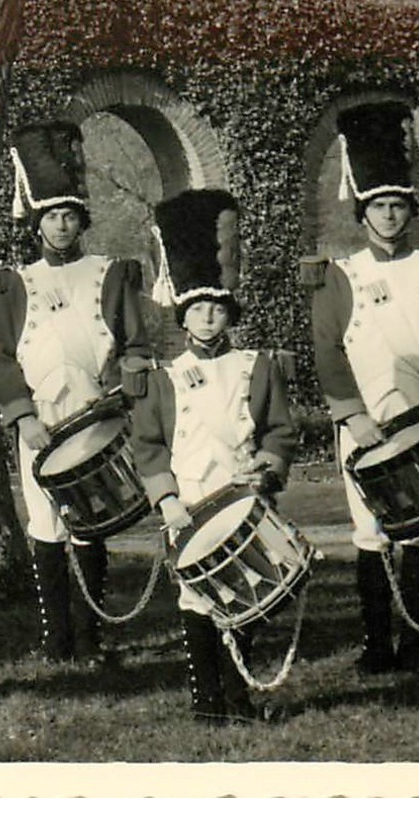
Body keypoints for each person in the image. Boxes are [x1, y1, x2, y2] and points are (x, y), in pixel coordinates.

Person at [303, 101, 419, 677]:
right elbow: (328, 351)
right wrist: (353, 418)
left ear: (412, 209)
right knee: (372, 532)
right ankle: (377, 644)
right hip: (365, 424)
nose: (391, 215)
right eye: (380, 205)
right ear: (363, 210)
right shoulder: (341, 275)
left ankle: (418, 641)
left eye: (399, 205)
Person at [129, 189, 297, 723]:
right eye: (197, 309)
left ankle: (239, 696)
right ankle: (207, 702)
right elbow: (149, 446)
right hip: (189, 503)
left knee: (244, 593)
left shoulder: (257, 366)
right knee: (197, 600)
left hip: (245, 498)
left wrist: (269, 467)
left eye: (215, 309)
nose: (206, 318)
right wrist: (166, 499)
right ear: (184, 315)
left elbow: (279, 433)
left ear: (228, 312)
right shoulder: (164, 379)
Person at [0, 121, 149, 665]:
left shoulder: (109, 275)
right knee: (47, 527)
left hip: (95, 420)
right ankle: (56, 637)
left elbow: (134, 343)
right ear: (38, 223)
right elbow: (2, 357)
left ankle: (90, 631)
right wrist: (21, 416)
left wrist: (125, 391)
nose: (61, 225)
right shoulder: (15, 283)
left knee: (91, 524)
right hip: (41, 423)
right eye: (52, 216)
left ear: (81, 220)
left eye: (69, 215)